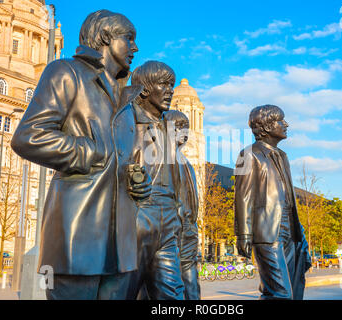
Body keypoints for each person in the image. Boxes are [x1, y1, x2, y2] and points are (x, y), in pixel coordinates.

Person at [11, 10, 151, 300]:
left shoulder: (127, 100)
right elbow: (28, 136)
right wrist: (91, 152)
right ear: (105, 37)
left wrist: (137, 181)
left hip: (119, 247)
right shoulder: (66, 72)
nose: (135, 47)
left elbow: (123, 161)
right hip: (76, 238)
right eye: (129, 38)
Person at [113, 61, 184, 299]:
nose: (170, 90)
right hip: (135, 217)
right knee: (123, 292)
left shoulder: (169, 128)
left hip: (167, 222)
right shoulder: (125, 120)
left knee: (172, 294)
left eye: (171, 85)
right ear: (144, 89)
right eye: (164, 84)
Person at [234, 105, 311, 300]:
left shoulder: (282, 156)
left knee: (294, 290)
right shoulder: (248, 154)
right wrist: (243, 234)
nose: (285, 124)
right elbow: (242, 197)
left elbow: (289, 198)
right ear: (267, 126)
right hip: (267, 231)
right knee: (280, 292)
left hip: (290, 230)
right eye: (280, 120)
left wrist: (299, 232)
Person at [164, 110, 201, 300]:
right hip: (170, 229)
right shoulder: (159, 159)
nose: (182, 132)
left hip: (189, 230)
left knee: (191, 284)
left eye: (185, 127)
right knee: (170, 286)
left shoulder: (187, 163)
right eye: (177, 127)